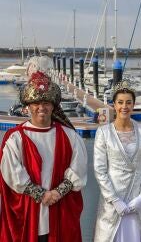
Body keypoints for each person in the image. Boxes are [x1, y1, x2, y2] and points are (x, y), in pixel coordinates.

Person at [0, 71, 87, 242]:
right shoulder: (15, 138)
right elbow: (11, 174)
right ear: (28, 106)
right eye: (36, 103)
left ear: (53, 106)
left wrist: (56, 193)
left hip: (60, 210)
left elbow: (79, 169)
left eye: (46, 102)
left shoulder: (70, 136)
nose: (41, 107)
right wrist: (41, 194)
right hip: (28, 213)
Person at [93, 81, 141, 242]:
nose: (124, 107)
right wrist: (114, 199)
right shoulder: (103, 132)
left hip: (136, 201)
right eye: (120, 102)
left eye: (128, 102)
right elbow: (100, 170)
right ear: (114, 104)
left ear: (133, 105)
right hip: (113, 202)